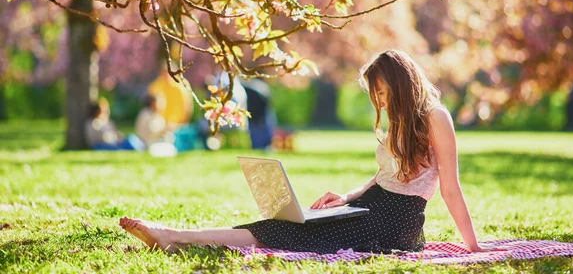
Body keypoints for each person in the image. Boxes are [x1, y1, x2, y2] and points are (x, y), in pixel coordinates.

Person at [119, 50, 502, 253]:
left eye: (382, 93)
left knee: (284, 230)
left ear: (402, 84)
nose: (380, 103)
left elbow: (449, 187)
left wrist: (473, 247)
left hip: (396, 223)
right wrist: (347, 197)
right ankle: (176, 237)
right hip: (373, 205)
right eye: (376, 96)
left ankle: (175, 237)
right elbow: (387, 177)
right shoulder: (401, 120)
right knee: (292, 223)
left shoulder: (436, 117)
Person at [242, 78, 276, 150]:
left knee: (258, 136)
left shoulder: (248, 87)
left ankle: (262, 146)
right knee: (262, 135)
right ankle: (264, 146)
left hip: (258, 115)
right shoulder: (258, 86)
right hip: (260, 114)